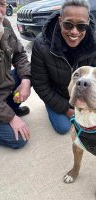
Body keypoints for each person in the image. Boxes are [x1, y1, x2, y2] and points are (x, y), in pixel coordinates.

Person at [31, 0, 96, 134]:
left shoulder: (94, 41)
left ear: (88, 22)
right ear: (60, 21)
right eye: (68, 24)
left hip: (86, 89)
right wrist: (66, 109)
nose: (74, 31)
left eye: (81, 26)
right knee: (63, 128)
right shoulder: (41, 45)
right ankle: (51, 105)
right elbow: (40, 85)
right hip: (58, 94)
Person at [0, 0, 31, 149]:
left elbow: (20, 55)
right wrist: (10, 117)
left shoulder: (5, 24)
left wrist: (26, 82)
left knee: (29, 73)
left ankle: (11, 109)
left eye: (1, 3)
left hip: (3, 86)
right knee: (20, 140)